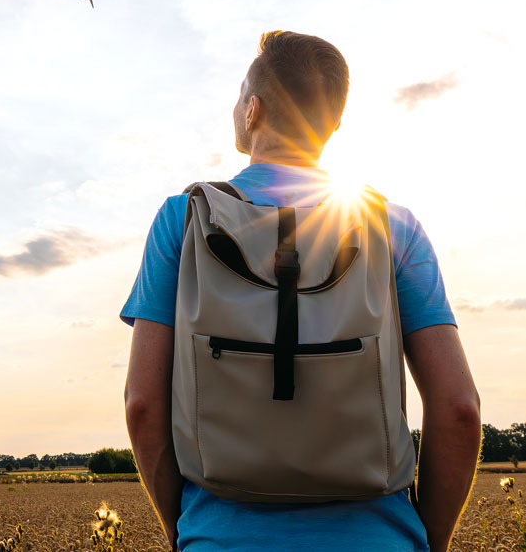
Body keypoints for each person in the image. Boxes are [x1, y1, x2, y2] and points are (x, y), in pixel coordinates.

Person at [122, 31, 481, 552]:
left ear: (253, 110)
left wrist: (185, 532)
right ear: (333, 123)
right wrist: (427, 542)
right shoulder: (392, 226)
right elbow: (458, 410)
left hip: (219, 539)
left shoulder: (182, 219)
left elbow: (142, 406)